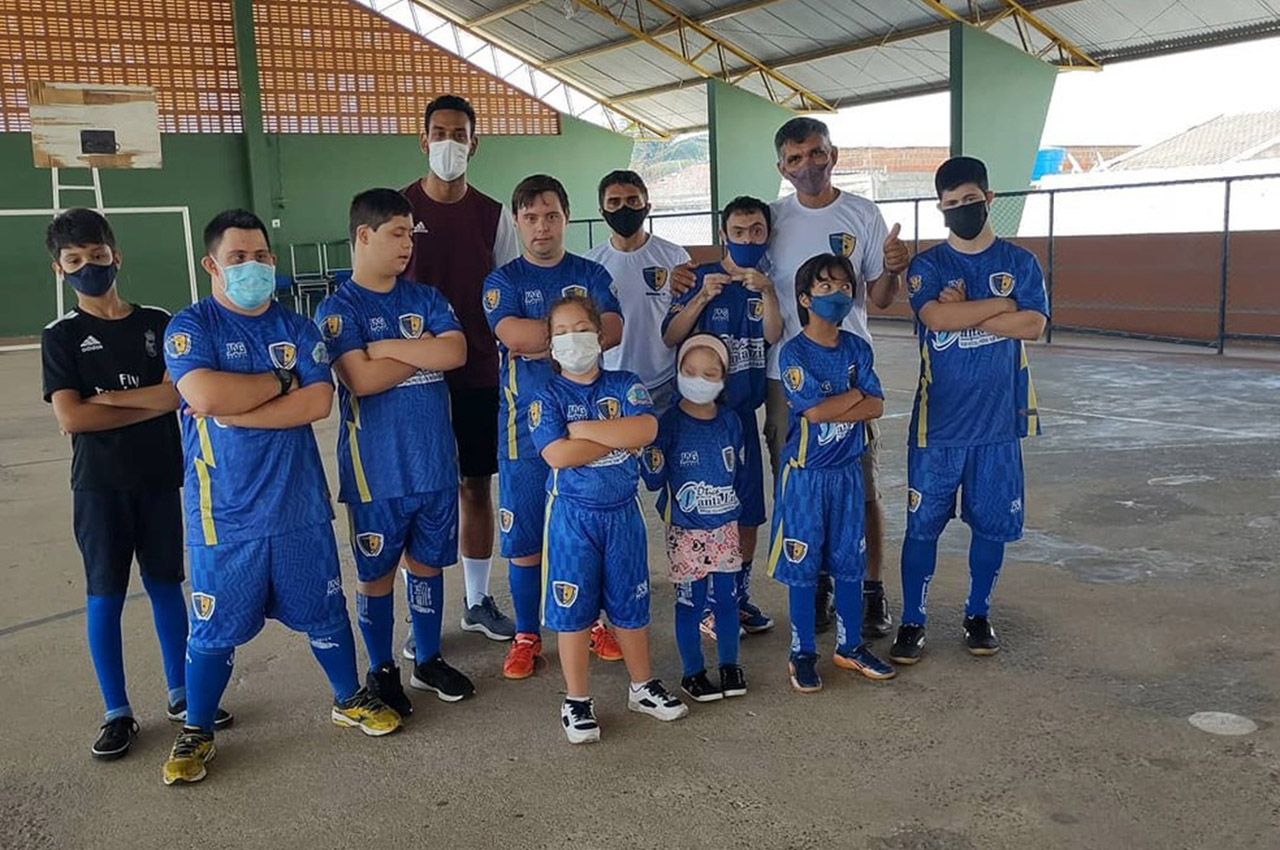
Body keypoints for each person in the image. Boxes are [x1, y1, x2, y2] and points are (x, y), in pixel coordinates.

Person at [160, 209, 399, 785]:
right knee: (214, 631)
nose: (253, 266)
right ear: (211, 264)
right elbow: (203, 393)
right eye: (238, 257)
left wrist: (243, 406)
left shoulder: (297, 328)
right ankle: (197, 728)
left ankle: (348, 698)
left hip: (298, 509)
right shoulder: (191, 327)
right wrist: (279, 385)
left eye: (262, 256)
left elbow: (317, 404)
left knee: (324, 610)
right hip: (225, 516)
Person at [41, 209, 231, 761]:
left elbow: (178, 395)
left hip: (159, 478)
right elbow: (71, 419)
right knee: (105, 594)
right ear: (60, 269)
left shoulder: (158, 323)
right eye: (75, 261)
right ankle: (117, 712)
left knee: (167, 584)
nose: (89, 267)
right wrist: (144, 403)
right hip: (98, 487)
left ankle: (181, 693)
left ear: (115, 255)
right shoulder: (63, 337)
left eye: (97, 256)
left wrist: (107, 400)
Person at [314, 189, 473, 717]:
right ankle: (382, 667)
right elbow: (359, 378)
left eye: (411, 234)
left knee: (428, 566)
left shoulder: (425, 297)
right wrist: (416, 351)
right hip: (376, 471)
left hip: (433, 463)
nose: (408, 244)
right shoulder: (339, 308)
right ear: (364, 235)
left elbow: (455, 351)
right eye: (397, 233)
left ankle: (426, 659)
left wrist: (387, 349)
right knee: (376, 572)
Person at [889, 156, 1048, 665]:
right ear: (940, 208)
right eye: (952, 204)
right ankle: (912, 620)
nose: (962, 210)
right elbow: (934, 317)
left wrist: (968, 312)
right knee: (921, 528)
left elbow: (1033, 326)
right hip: (938, 427)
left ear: (989, 199)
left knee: (991, 526)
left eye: (970, 201)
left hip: (998, 426)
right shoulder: (928, 266)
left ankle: (977, 613)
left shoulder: (1020, 263)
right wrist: (1001, 307)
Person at [764, 116, 911, 639]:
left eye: (816, 153)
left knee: (861, 484)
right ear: (782, 167)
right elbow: (751, 281)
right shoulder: (774, 221)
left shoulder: (862, 213)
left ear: (833, 154)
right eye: (795, 159)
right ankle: (816, 582)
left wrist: (894, 266)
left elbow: (881, 298)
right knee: (800, 483)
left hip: (851, 370)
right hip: (789, 374)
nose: (808, 165)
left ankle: (870, 587)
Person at [483, 174, 625, 679]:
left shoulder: (591, 272)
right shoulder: (503, 282)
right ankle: (526, 635)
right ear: (517, 222)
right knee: (524, 537)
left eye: (550, 216)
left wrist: (562, 336)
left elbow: (613, 328)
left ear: (566, 217)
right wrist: (572, 334)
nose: (541, 227)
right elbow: (512, 335)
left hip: (586, 425)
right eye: (530, 217)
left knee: (586, 529)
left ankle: (589, 623)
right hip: (523, 430)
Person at [531, 295, 688, 742]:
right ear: (550, 345)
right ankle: (577, 700)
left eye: (581, 329)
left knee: (630, 605)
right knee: (574, 614)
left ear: (600, 337)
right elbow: (557, 454)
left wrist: (584, 431)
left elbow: (646, 430)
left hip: (623, 515)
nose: (571, 339)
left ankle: (642, 686)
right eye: (560, 333)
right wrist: (616, 439)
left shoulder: (625, 383)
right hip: (571, 520)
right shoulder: (547, 395)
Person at [402, 94, 518, 642]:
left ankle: (476, 600)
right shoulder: (397, 211)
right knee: (418, 495)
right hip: (411, 379)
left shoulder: (494, 215)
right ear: (423, 140)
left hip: (478, 374)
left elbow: (512, 289)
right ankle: (420, 615)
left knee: (475, 487)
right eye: (439, 132)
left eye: (460, 133)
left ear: (475, 142)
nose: (449, 142)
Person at [767, 253, 894, 694]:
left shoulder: (858, 348)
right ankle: (802, 652)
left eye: (844, 287)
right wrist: (856, 394)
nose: (837, 294)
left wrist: (852, 400)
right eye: (825, 287)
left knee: (849, 561)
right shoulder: (794, 352)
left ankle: (850, 646)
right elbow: (815, 411)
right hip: (806, 477)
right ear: (804, 298)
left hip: (845, 474)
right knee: (803, 567)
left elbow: (877, 405)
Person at [663, 196, 782, 636]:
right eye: (739, 231)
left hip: (742, 418)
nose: (747, 238)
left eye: (756, 231)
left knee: (747, 511)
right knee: (701, 511)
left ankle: (736, 595)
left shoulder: (766, 282)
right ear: (723, 235)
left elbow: (773, 335)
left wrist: (767, 291)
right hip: (700, 419)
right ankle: (704, 600)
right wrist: (700, 299)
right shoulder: (697, 280)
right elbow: (670, 336)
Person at [641, 334, 748, 702]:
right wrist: (649, 454)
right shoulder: (668, 423)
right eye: (690, 371)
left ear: (722, 378)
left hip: (725, 530)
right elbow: (654, 479)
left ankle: (730, 664)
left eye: (709, 372)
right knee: (690, 603)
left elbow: (737, 473)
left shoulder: (731, 421)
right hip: (685, 533)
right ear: (678, 372)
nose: (699, 379)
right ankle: (693, 672)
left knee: (727, 601)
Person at [584, 169, 694, 415]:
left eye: (632, 200)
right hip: (612, 382)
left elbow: (687, 317)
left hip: (664, 381)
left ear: (647, 206)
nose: (624, 208)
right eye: (614, 202)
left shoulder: (675, 257)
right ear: (602, 211)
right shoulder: (590, 264)